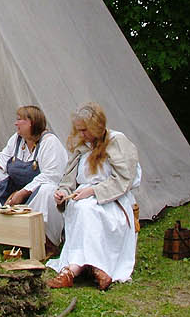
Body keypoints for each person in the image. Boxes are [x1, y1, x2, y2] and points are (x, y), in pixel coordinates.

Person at [46, 103, 140, 291]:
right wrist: (63, 193)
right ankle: (97, 268)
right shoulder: (83, 148)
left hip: (112, 199)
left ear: (96, 126)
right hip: (82, 198)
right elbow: (68, 179)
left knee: (86, 210)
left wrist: (93, 191)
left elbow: (124, 178)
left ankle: (73, 270)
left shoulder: (117, 141)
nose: (82, 135)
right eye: (79, 130)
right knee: (81, 208)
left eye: (85, 130)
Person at [0, 105, 69, 253]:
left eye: (20, 120)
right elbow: (3, 159)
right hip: (15, 191)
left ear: (31, 123)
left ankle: (45, 239)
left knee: (48, 190)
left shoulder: (50, 143)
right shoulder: (17, 140)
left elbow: (51, 175)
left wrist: (22, 193)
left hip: (35, 196)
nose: (16, 123)